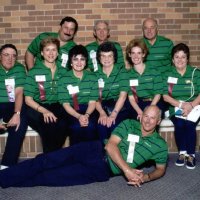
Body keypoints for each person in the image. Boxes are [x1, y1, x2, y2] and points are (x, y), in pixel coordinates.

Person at [0, 105, 168, 188]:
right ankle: (3, 177)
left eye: (152, 118)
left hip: (101, 170)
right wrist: (127, 170)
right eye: (145, 115)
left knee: (49, 178)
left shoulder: (160, 145)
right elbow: (111, 146)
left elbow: (160, 169)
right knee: (46, 160)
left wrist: (145, 178)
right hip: (93, 149)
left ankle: (9, 180)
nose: (147, 120)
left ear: (158, 121)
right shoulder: (130, 123)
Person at [24, 37, 68, 153]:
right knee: (48, 124)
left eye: (54, 50)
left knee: (64, 124)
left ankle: (50, 159)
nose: (51, 53)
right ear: (42, 53)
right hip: (37, 106)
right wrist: (44, 111)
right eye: (47, 50)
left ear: (58, 52)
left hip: (58, 105)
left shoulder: (64, 72)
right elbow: (28, 99)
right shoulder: (34, 71)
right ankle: (51, 160)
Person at [163, 43, 200, 169]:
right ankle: (182, 153)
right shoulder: (167, 74)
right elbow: (165, 96)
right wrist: (181, 104)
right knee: (179, 123)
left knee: (189, 124)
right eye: (177, 57)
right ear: (173, 59)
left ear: (187, 59)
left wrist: (191, 105)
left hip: (195, 106)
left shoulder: (195, 72)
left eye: (183, 57)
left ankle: (191, 155)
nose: (180, 60)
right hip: (175, 106)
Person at [58, 45, 98, 145]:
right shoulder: (63, 79)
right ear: (71, 62)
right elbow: (65, 104)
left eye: (82, 59)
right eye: (75, 59)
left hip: (89, 109)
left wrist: (86, 115)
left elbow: (93, 102)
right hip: (71, 110)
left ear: (86, 62)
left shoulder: (92, 77)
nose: (79, 63)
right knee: (76, 127)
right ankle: (75, 157)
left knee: (91, 126)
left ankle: (90, 157)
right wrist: (79, 116)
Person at [95, 41, 129, 143]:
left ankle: (115, 153)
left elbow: (123, 96)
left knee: (114, 124)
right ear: (99, 58)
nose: (106, 59)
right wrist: (102, 113)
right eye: (103, 56)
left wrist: (113, 114)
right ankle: (103, 153)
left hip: (118, 106)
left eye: (110, 56)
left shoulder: (122, 72)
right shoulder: (95, 75)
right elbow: (94, 98)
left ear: (114, 58)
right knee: (101, 125)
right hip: (101, 106)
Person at [0, 44, 27, 169]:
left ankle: (7, 165)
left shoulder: (20, 69)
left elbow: (19, 92)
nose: (10, 59)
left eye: (13, 56)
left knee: (20, 123)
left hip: (12, 104)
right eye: (6, 55)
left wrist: (17, 114)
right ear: (0, 56)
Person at [125, 38, 164, 120]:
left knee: (151, 119)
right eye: (133, 53)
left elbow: (158, 94)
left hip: (154, 102)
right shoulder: (127, 75)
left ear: (143, 54)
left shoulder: (154, 71)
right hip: (137, 104)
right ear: (129, 55)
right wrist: (139, 112)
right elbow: (131, 98)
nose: (136, 56)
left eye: (139, 53)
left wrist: (148, 111)